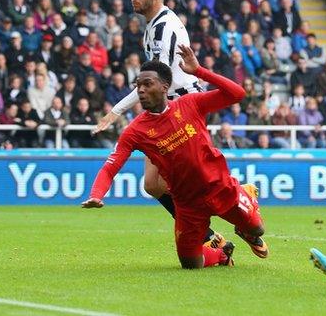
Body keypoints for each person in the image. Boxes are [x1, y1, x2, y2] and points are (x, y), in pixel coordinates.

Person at [82, 45, 268, 269]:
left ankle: (245, 195)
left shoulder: (191, 103)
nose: (140, 90)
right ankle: (222, 255)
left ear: (164, 87)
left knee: (258, 229)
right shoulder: (135, 131)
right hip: (187, 203)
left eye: (147, 84)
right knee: (191, 263)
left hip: (220, 187)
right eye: (138, 85)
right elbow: (111, 166)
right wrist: (96, 194)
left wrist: (199, 71)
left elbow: (237, 94)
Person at [93, 0, 223, 247]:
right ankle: (210, 235)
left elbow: (156, 81)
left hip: (183, 109)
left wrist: (116, 110)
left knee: (193, 181)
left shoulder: (164, 29)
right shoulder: (153, 26)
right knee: (154, 184)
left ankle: (233, 215)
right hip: (168, 108)